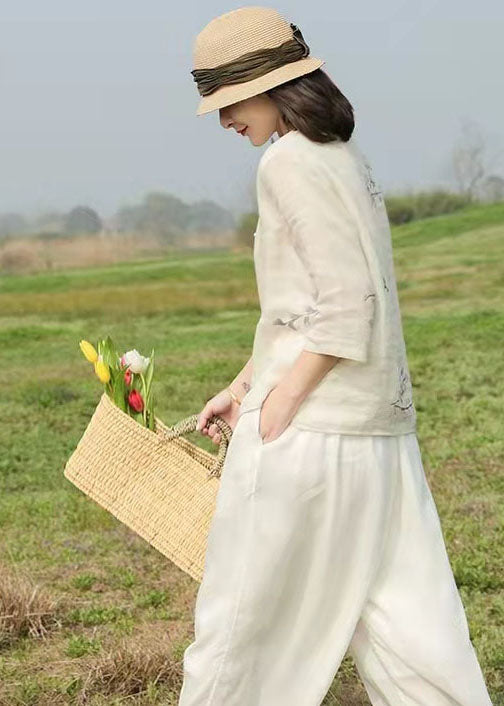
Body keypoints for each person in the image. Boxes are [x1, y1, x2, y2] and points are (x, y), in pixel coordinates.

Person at [178, 7, 494, 706]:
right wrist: (244, 385)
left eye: (229, 101)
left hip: (313, 434)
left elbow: (344, 307)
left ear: (271, 87)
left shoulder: (285, 163)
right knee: (413, 636)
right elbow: (306, 307)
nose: (226, 119)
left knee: (240, 630)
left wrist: (276, 408)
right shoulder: (346, 159)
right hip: (381, 436)